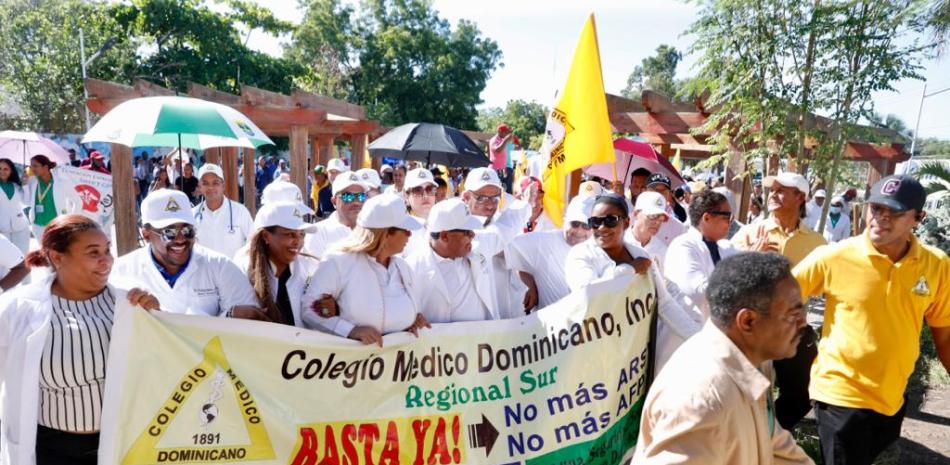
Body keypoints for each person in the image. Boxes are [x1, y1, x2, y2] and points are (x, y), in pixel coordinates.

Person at [794, 175, 950, 465]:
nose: (881, 218)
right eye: (876, 208)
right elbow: (780, 296)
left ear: (918, 217)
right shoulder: (834, 256)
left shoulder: (936, 264)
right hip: (840, 393)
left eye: (895, 212)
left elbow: (944, 333)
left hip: (892, 397)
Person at [0, 214, 161, 465]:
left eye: (107, 250)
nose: (106, 260)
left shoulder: (131, 302)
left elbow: (164, 364)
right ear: (57, 257)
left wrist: (157, 319)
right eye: (93, 252)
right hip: (51, 451)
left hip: (121, 446)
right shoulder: (18, 309)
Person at [633, 252, 814, 465]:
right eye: (793, 314)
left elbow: (780, 451)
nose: (803, 323)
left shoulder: (741, 371)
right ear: (747, 321)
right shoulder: (701, 400)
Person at [733, 172, 826, 430]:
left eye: (781, 190)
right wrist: (750, 257)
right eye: (772, 189)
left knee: (804, 393)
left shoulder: (817, 244)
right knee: (745, 394)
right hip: (752, 328)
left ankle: (772, 436)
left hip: (793, 327)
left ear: (800, 197)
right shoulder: (751, 233)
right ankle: (746, 444)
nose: (772, 193)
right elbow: (724, 276)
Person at [566, 193, 702, 368]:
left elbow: (664, 303)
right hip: (591, 354)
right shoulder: (580, 254)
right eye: (595, 222)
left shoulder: (640, 255)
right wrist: (630, 270)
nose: (602, 227)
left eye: (610, 220)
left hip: (631, 359)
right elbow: (587, 293)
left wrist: (698, 339)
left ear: (626, 222)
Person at [112, 189, 264, 319]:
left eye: (187, 231)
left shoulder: (220, 266)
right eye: (169, 232)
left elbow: (249, 322)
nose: (180, 239)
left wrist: (229, 316)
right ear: (146, 234)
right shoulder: (122, 272)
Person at [302, 194, 429, 345]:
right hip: (350, 365)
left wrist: (414, 318)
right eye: (405, 229)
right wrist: (350, 331)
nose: (410, 234)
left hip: (395, 364)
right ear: (386, 233)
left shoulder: (402, 267)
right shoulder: (339, 261)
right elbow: (310, 309)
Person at [405, 198, 499, 323]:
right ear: (444, 236)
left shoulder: (477, 252)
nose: (473, 235)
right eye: (467, 232)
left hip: (480, 340)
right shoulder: (410, 269)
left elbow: (509, 226)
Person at [235, 202, 321, 327]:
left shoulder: (310, 266)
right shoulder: (242, 269)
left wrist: (327, 309)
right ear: (266, 236)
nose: (298, 241)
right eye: (289, 234)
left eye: (301, 234)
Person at [506, 195, 594, 311]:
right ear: (565, 219)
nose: (579, 231)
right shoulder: (542, 241)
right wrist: (532, 286)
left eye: (586, 226)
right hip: (549, 326)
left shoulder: (600, 249)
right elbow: (507, 248)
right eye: (575, 223)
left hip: (587, 324)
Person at [664, 189, 738, 317]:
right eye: (727, 216)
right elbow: (701, 291)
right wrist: (741, 279)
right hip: (687, 333)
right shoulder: (683, 246)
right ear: (707, 217)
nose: (730, 222)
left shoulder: (725, 246)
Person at [192, 164, 254, 259]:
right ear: (199, 187)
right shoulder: (192, 215)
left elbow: (253, 242)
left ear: (223, 186)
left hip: (233, 272)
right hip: (203, 273)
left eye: (215, 183)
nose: (210, 187)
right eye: (205, 183)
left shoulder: (240, 211)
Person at [303, 171, 367, 260]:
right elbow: (312, 271)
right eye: (348, 196)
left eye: (361, 196)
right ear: (334, 201)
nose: (356, 202)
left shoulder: (372, 231)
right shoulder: (318, 232)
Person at [26, 155, 76, 239]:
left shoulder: (61, 181)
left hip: (57, 225)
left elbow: (74, 200)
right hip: (38, 225)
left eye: (35, 166)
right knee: (44, 251)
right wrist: (24, 184)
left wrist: (70, 218)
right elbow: (26, 202)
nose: (32, 169)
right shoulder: (32, 181)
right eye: (31, 167)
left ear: (45, 167)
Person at [402, 168, 439, 256]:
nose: (425, 196)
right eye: (417, 190)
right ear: (406, 195)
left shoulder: (444, 224)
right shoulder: (400, 230)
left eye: (429, 189)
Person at [645, 173, 688, 243]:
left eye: (663, 192)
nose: (659, 195)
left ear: (669, 194)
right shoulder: (633, 218)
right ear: (646, 192)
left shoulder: (679, 228)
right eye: (654, 190)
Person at [0, 159, 30, 254]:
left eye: (6, 169)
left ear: (11, 171)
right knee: (3, 261)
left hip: (21, 227)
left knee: (21, 257)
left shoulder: (16, 186)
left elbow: (26, 202)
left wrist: (25, 185)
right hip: (2, 229)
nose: (2, 171)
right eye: (0, 168)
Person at [489, 124, 520, 193]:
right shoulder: (494, 140)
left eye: (508, 132)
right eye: (506, 132)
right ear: (500, 131)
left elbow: (518, 147)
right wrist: (505, 140)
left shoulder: (502, 140)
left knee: (507, 192)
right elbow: (497, 150)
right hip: (495, 169)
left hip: (503, 169)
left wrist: (514, 140)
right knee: (496, 192)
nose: (507, 134)